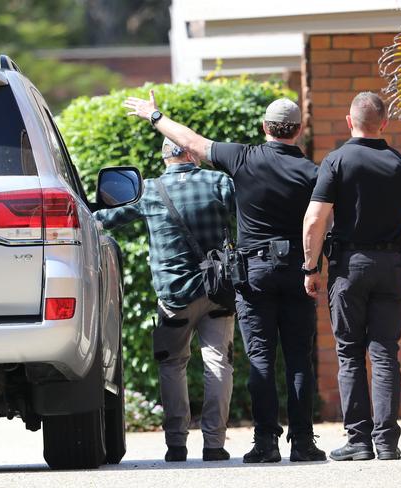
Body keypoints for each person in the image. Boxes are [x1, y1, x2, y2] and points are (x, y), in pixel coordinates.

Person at [123, 91, 326, 463]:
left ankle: (266, 444)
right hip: (297, 271)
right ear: (299, 130)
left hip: (253, 274)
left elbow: (191, 142)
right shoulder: (313, 172)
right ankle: (302, 443)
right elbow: (322, 222)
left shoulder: (242, 157)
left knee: (261, 358)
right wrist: (313, 267)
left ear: (264, 127)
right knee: (299, 358)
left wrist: (153, 116)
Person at [302, 92, 401, 461]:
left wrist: (311, 266)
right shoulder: (398, 162)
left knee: (349, 353)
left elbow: (314, 219)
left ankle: (358, 442)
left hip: (350, 269)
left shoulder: (337, 160)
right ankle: (387, 442)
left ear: (349, 121)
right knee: (385, 354)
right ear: (384, 123)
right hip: (391, 267)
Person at [95, 137, 236, 463]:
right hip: (218, 292)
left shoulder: (149, 191)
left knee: (173, 365)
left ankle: (176, 445)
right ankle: (214, 444)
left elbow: (104, 219)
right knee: (219, 363)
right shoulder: (218, 182)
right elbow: (253, 211)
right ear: (190, 153)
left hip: (174, 297)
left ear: (165, 159)